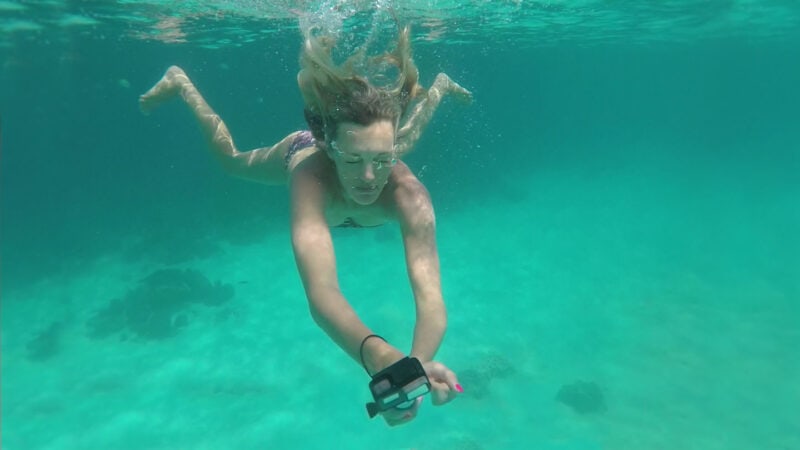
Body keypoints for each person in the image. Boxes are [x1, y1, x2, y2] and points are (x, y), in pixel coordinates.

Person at [140, 23, 472, 427]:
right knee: (230, 161)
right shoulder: (310, 179)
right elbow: (323, 294)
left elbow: (432, 299)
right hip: (296, 150)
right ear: (330, 146)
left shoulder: (409, 195)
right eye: (352, 161)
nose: (369, 178)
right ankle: (181, 82)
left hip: (371, 141)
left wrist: (414, 368)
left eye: (382, 161)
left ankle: (437, 88)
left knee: (408, 137)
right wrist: (383, 357)